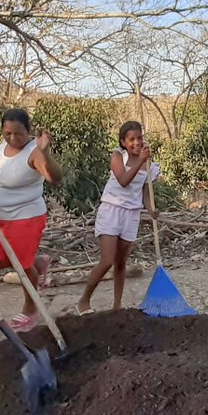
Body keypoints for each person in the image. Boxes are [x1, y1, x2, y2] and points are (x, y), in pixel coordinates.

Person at [0, 109, 62, 332]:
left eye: (18, 134)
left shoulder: (34, 152)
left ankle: (30, 310)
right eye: (8, 134)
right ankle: (37, 263)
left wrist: (45, 152)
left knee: (22, 266)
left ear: (29, 131)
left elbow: (54, 178)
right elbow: (1, 171)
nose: (13, 139)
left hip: (25, 218)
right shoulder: (3, 147)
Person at [76, 121, 159, 314]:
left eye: (139, 138)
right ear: (123, 142)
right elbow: (123, 181)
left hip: (131, 214)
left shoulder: (150, 166)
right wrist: (140, 161)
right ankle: (84, 301)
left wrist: (151, 209)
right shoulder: (117, 157)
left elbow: (145, 193)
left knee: (121, 263)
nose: (136, 142)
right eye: (131, 139)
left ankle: (117, 306)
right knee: (107, 261)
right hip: (111, 210)